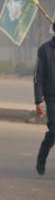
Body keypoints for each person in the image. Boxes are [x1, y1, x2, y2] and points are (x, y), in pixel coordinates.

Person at [35, 22, 55, 175]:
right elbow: (38, 77)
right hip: (51, 97)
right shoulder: (44, 50)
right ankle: (42, 155)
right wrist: (38, 101)